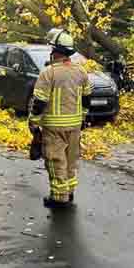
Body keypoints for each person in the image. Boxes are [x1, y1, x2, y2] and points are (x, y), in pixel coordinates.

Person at [28, 29, 91, 209]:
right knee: (71, 160)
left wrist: (34, 122)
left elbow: (39, 102)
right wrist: (83, 118)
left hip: (54, 127)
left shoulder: (48, 73)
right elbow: (86, 99)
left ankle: (59, 198)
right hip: (75, 126)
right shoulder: (81, 72)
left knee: (56, 161)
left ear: (54, 51)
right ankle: (69, 192)